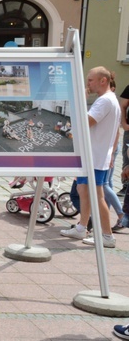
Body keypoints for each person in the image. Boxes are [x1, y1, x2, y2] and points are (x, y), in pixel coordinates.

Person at [60, 67, 120, 248]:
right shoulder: (110, 100)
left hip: (95, 156)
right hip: (95, 155)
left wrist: (80, 103)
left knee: (97, 195)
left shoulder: (104, 101)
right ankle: (81, 227)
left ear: (103, 80)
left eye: (91, 80)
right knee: (82, 188)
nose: (88, 84)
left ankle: (107, 236)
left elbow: (83, 124)